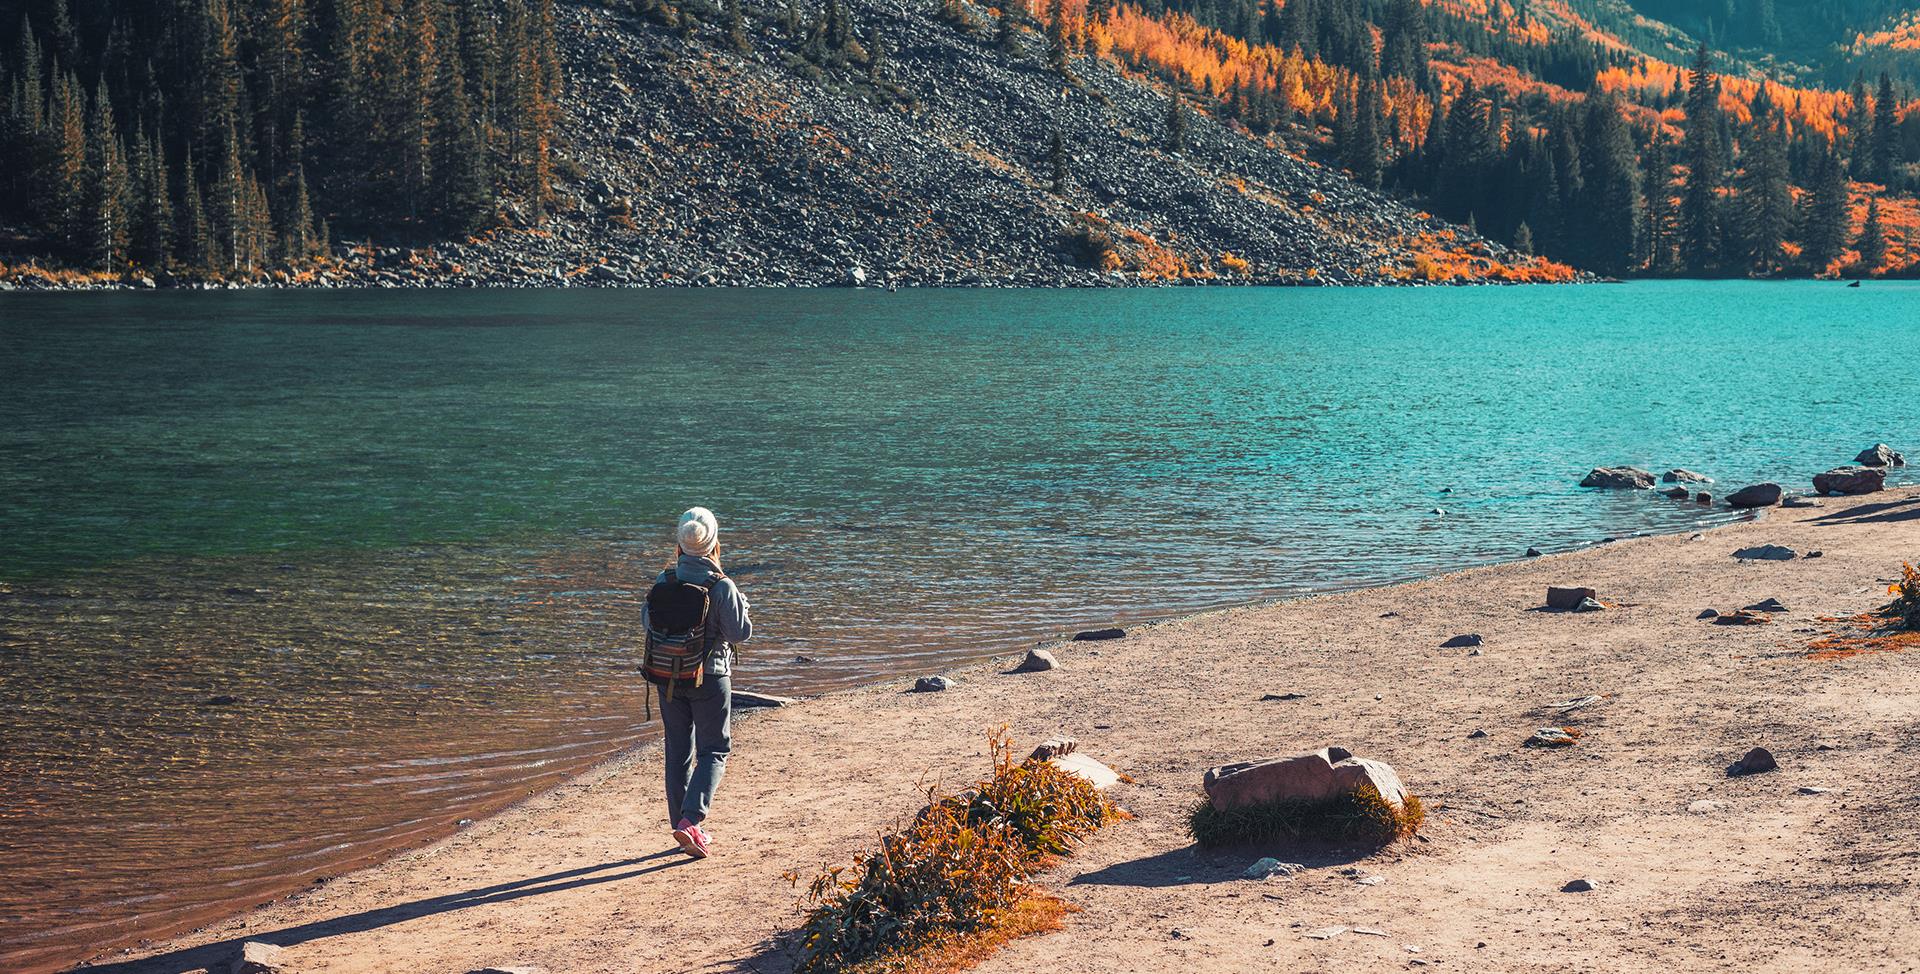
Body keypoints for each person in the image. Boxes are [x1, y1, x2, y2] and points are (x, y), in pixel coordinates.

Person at [644, 506, 751, 859]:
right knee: (714, 750)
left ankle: (682, 825)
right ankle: (691, 822)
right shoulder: (721, 586)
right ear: (714, 542)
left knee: (677, 750)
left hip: (666, 677)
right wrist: (743, 608)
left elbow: (648, 623)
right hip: (710, 676)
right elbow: (740, 633)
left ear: (679, 543)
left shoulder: (664, 582)